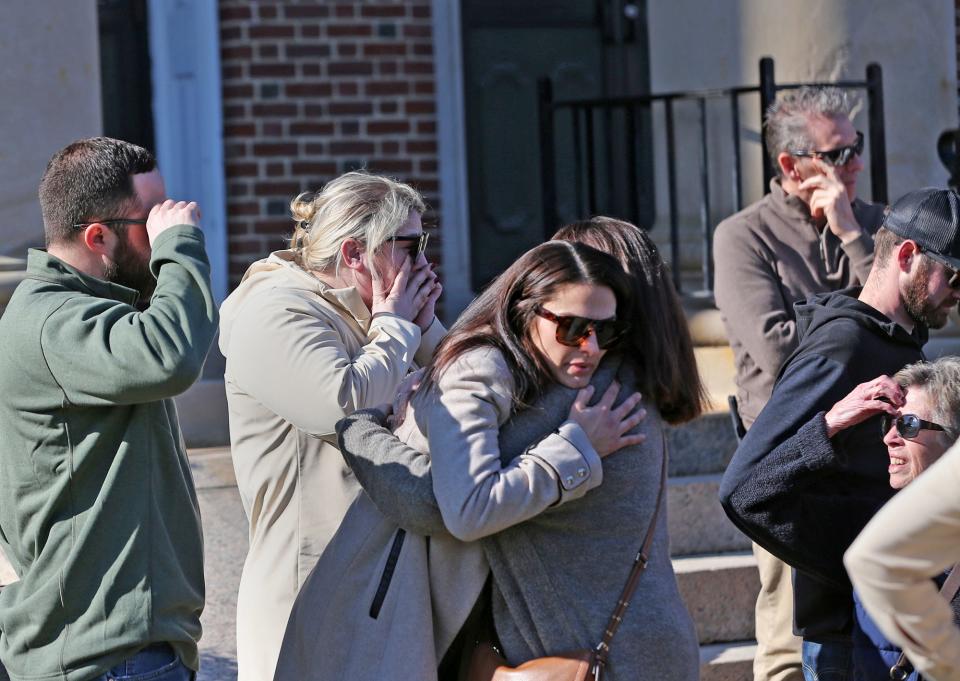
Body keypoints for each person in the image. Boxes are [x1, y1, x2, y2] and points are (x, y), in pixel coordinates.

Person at [276, 221, 706, 681]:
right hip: (651, 644)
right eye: (574, 325)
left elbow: (440, 502)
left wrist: (363, 429)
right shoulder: (632, 386)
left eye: (602, 326)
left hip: (597, 662)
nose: (591, 343)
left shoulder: (585, 403)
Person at [719, 187, 960, 681]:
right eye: (955, 276)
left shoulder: (899, 342)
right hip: (845, 645)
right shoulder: (841, 346)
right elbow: (744, 488)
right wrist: (828, 425)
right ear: (909, 257)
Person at [0, 137, 218, 680]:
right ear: (98, 236)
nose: (166, 228)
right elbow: (171, 355)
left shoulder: (91, 317)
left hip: (119, 648)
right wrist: (183, 247)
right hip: (106, 657)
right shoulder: (56, 325)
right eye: (152, 222)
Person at [217, 171, 444, 681]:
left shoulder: (376, 312)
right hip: (309, 585)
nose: (423, 263)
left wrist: (425, 328)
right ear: (354, 254)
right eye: (410, 246)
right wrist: (398, 328)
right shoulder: (275, 310)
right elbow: (343, 409)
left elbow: (464, 394)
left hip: (379, 580)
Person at [713, 86, 884, 681]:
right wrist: (851, 320)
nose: (855, 165)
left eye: (855, 148)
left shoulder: (875, 226)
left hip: (872, 449)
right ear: (791, 166)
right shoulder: (743, 236)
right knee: (789, 632)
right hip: (788, 455)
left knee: (868, 618)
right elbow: (778, 349)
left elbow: (900, 322)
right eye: (837, 155)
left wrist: (852, 239)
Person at [845, 358, 960, 680]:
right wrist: (828, 424)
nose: (889, 438)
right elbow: (750, 499)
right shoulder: (868, 520)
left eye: (908, 425)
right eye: (888, 424)